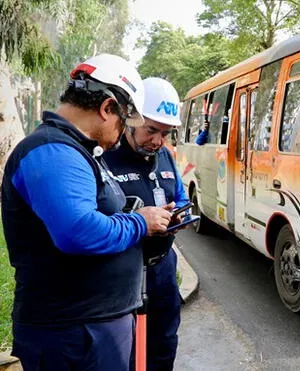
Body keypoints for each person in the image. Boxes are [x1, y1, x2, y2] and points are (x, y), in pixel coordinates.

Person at [0, 54, 174, 370]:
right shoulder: (52, 151)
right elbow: (78, 231)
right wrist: (139, 222)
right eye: (125, 121)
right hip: (73, 333)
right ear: (108, 108)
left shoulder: (74, 150)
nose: (123, 133)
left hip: (90, 329)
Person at [103, 77, 190, 371]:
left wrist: (179, 213)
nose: (157, 141)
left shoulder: (164, 155)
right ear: (130, 118)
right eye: (151, 130)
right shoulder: (105, 157)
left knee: (163, 343)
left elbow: (178, 195)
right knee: (124, 351)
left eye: (165, 133)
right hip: (122, 271)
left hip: (163, 268)